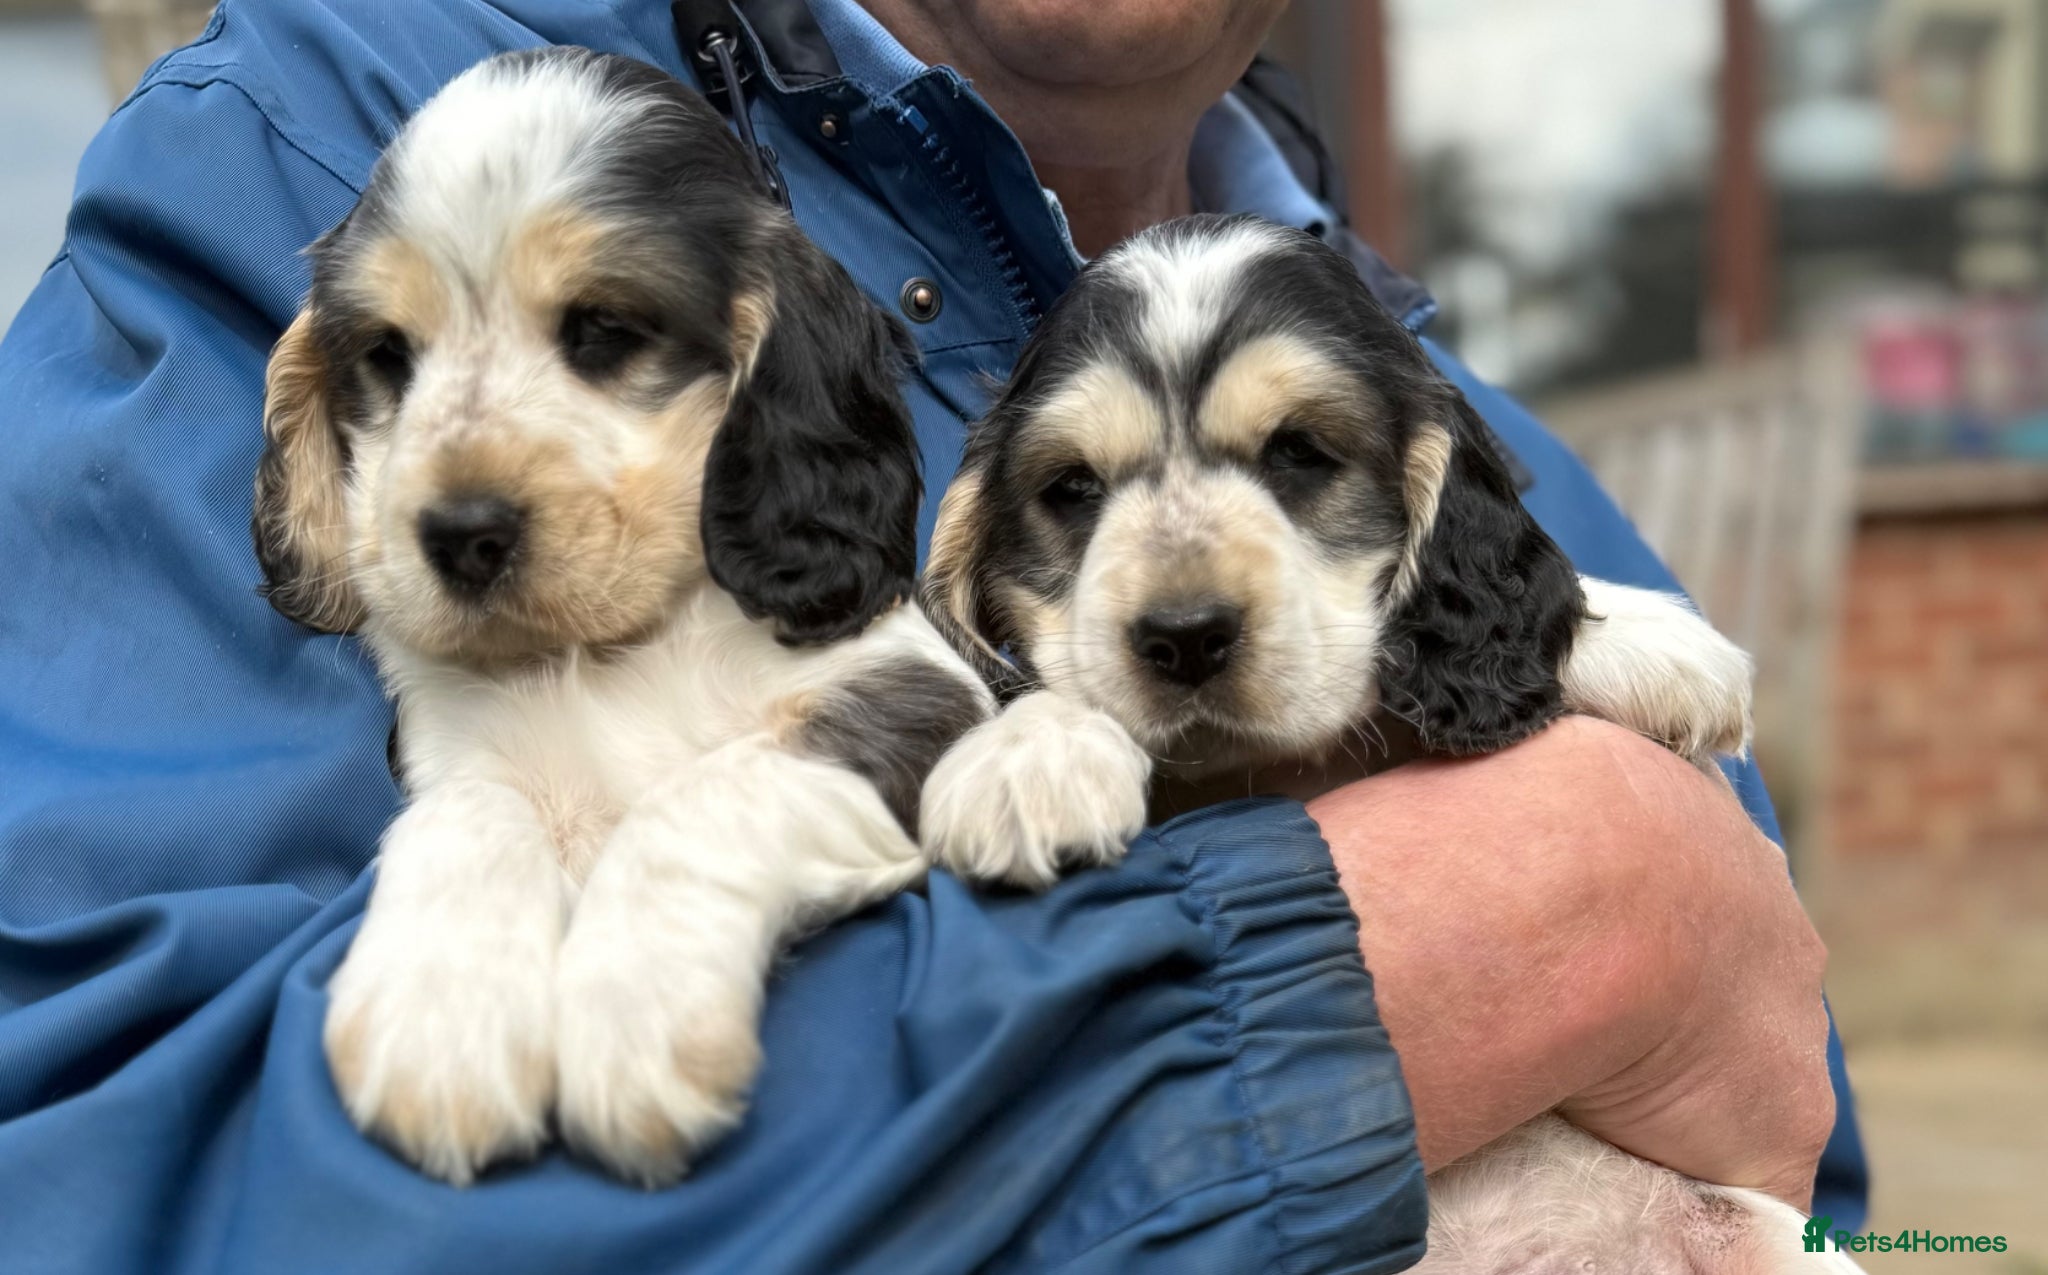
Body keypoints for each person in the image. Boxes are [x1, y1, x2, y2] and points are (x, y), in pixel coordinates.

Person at [0, 0, 1865, 1270]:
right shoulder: (307, 147)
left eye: (1304, 454)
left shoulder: (1493, 470)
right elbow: (83, 1174)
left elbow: (1818, 1194)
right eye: (397, 362)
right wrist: (1471, 936)